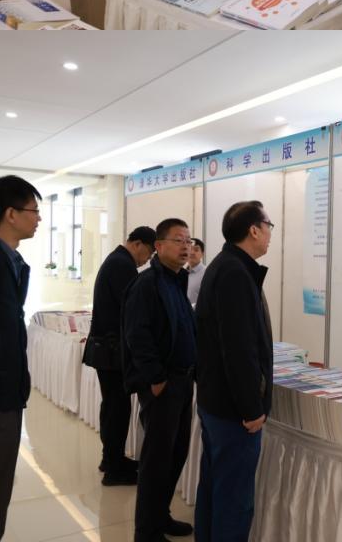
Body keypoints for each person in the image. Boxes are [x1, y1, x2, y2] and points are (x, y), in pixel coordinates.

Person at [195, 202, 274, 542]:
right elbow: (238, 349)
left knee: (216, 486)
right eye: (268, 225)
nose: (270, 233)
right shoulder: (235, 273)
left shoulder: (226, 265)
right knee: (234, 500)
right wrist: (251, 408)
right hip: (233, 412)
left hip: (217, 402)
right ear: (254, 230)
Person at [122, 218, 197, 542]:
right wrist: (155, 378)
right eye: (178, 240)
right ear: (159, 245)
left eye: (189, 240)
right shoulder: (147, 284)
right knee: (156, 459)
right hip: (163, 384)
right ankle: (147, 531)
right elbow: (137, 335)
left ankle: (160, 515)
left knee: (175, 453)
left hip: (182, 381)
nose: (186, 247)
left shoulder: (177, 280)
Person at [84, 226, 156, 485]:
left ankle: (111, 459)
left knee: (113, 406)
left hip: (107, 349)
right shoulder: (122, 265)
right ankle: (114, 469)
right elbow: (133, 309)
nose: (147, 260)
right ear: (138, 244)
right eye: (149, 253)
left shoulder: (117, 260)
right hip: (112, 351)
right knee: (117, 409)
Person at [0, 176, 40, 540]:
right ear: (11, 214)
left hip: (9, 392)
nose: (38, 218)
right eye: (33, 210)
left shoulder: (14, 263)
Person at [186, 239, 206, 306]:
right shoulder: (180, 273)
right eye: (189, 249)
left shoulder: (207, 274)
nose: (192, 253)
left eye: (196, 250)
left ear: (202, 254)